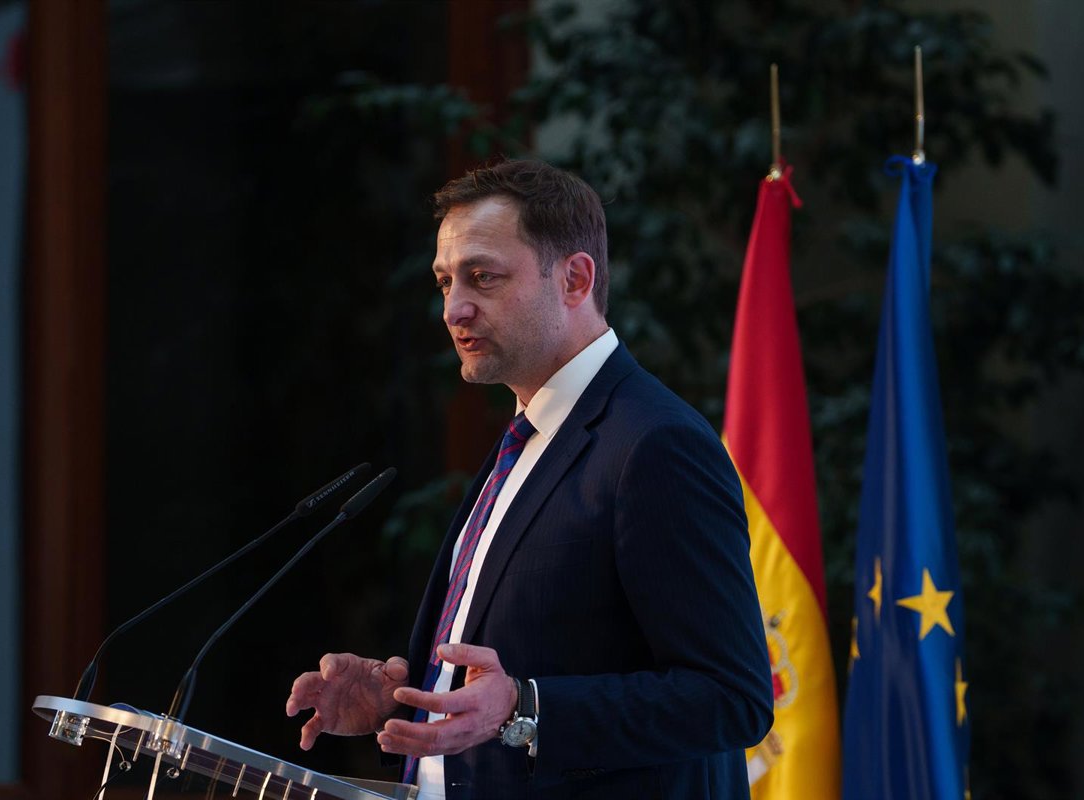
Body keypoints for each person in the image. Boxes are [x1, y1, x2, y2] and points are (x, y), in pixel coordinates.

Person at [286, 159, 774, 800]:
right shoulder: (525, 439)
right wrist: (412, 700)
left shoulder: (655, 444)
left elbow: (731, 696)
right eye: (445, 282)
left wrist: (527, 707)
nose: (453, 309)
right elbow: (521, 665)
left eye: (483, 277)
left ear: (575, 279)